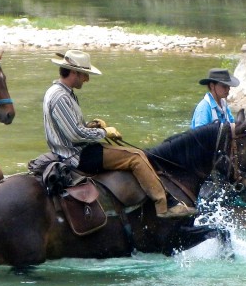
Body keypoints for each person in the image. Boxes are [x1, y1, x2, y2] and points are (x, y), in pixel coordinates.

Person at [43, 50, 196, 219]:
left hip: (71, 151)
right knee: (136, 157)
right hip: (77, 156)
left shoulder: (60, 92)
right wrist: (104, 131)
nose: (87, 79)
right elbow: (75, 135)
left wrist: (92, 125)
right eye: (84, 75)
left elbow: (71, 129)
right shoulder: (61, 97)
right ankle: (164, 206)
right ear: (73, 72)